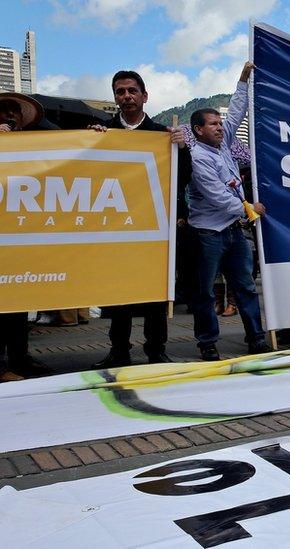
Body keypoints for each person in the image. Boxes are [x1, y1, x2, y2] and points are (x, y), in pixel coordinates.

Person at [89, 70, 190, 367]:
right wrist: (88, 144)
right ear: (115, 98)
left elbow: (184, 178)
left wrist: (181, 149)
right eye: (120, 92)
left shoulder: (163, 134)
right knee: (118, 290)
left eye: (132, 90)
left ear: (144, 96)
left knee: (156, 292)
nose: (126, 96)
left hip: (154, 227)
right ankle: (118, 350)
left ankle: (156, 350)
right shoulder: (101, 133)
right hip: (115, 227)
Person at [187, 61, 271, 361]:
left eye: (220, 124)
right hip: (209, 233)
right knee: (206, 292)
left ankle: (256, 338)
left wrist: (243, 80)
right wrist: (251, 209)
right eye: (213, 124)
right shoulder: (198, 157)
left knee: (246, 287)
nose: (221, 128)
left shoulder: (223, 146)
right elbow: (218, 196)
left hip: (234, 231)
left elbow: (236, 111)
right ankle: (207, 343)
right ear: (198, 130)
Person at [0, 92, 54, 381]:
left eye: (15, 110)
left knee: (18, 304)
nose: (10, 115)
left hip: (20, 241)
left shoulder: (33, 149)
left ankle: (19, 358)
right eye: (4, 109)